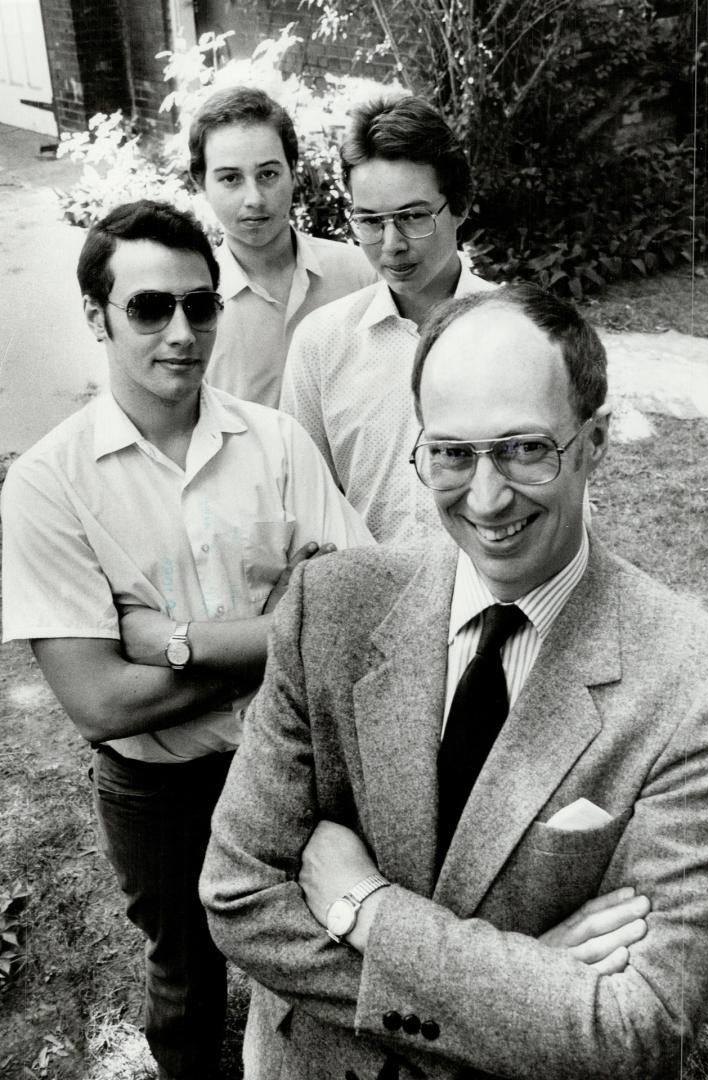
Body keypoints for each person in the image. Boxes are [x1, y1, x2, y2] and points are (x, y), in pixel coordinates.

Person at [201, 285, 708, 1080]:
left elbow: (641, 1027)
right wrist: (520, 985)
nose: (486, 500)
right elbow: (241, 896)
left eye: (526, 449)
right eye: (452, 454)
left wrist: (368, 910)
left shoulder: (698, 681)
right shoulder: (330, 611)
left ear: (594, 443)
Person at [0, 199, 373, 1080]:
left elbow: (354, 616)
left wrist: (180, 643)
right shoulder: (48, 488)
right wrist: (279, 630)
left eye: (201, 305)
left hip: (291, 759)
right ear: (96, 316)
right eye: (149, 307)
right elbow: (99, 702)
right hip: (157, 785)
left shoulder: (277, 444)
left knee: (334, 945)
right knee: (183, 971)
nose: (183, 331)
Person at [280, 93, 497, 544]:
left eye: (414, 216)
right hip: (367, 600)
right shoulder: (322, 343)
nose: (391, 243)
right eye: (370, 221)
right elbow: (304, 500)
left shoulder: (519, 333)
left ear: (459, 205)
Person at [189, 86, 376, 406]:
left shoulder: (362, 278)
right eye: (230, 179)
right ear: (200, 182)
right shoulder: (191, 306)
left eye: (268, 174)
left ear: (293, 169)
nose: (254, 199)